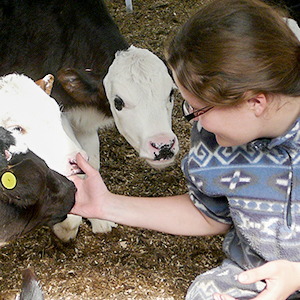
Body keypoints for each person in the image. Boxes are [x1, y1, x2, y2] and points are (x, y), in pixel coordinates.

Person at [69, 0, 300, 299]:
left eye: (198, 109)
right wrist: (106, 205)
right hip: (255, 274)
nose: (190, 117)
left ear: (255, 102)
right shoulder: (213, 140)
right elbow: (210, 214)